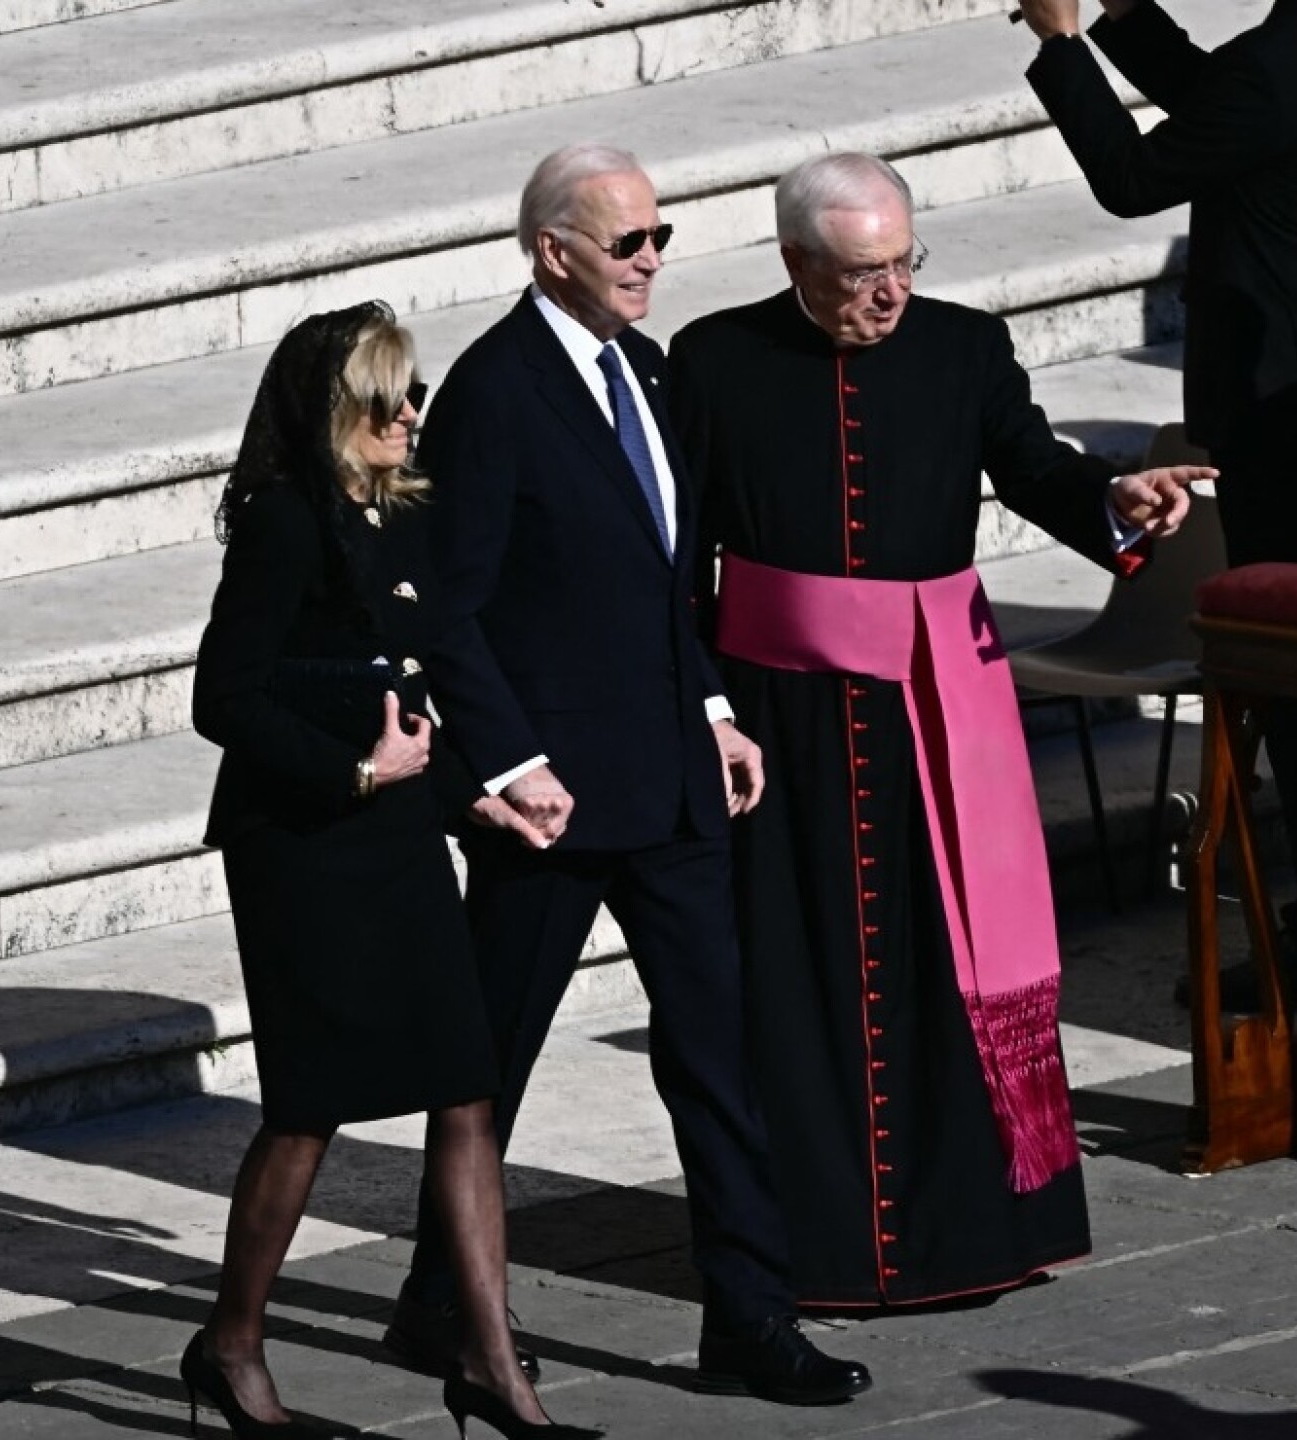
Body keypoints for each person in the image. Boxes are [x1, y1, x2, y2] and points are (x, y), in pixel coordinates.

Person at [669, 152, 1200, 1309]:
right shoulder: (715, 361)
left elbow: (1037, 468)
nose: (889, 292)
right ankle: (805, 1247)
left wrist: (1115, 505)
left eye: (904, 262)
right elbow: (677, 555)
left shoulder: (964, 347)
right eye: (860, 271)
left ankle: (970, 1233)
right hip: (779, 716)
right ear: (796, 262)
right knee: (796, 976)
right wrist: (700, 701)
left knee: (946, 963)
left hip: (931, 713)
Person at [386, 143, 871, 1406]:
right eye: (627, 244)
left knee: (717, 1052)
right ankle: (441, 1300)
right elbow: (452, 609)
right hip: (548, 808)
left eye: (660, 237)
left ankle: (750, 1317)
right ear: (553, 251)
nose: (652, 262)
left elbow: (672, 576)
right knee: (488, 1066)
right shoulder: (492, 394)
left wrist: (712, 705)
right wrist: (510, 763)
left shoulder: (650, 372)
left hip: (671, 787)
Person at [191, 302, 594, 1440]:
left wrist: (478, 788)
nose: (410, 417)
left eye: (412, 395)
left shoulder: (397, 519)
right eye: (386, 399)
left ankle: (490, 1361)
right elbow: (222, 698)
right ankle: (230, 1345)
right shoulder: (281, 522)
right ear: (333, 412)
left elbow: (414, 689)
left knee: (466, 1086)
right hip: (305, 849)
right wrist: (357, 773)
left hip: (404, 837)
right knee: (310, 1108)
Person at [1018, 0, 1297, 1009]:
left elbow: (1132, 180)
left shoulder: (1278, 64)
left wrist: (1060, 42)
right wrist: (1129, 19)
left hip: (1282, 422)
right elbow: (1224, 106)